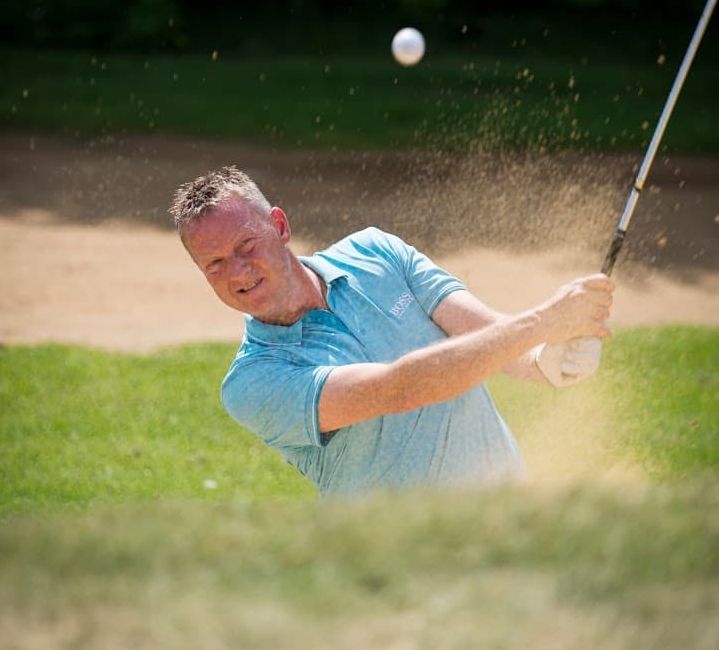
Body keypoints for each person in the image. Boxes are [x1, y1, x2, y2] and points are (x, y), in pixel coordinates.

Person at [169, 166, 614, 497]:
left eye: (246, 245)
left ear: (280, 227)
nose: (237, 271)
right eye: (215, 264)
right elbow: (401, 389)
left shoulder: (376, 252)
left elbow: (487, 335)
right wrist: (542, 323)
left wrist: (543, 361)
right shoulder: (253, 383)